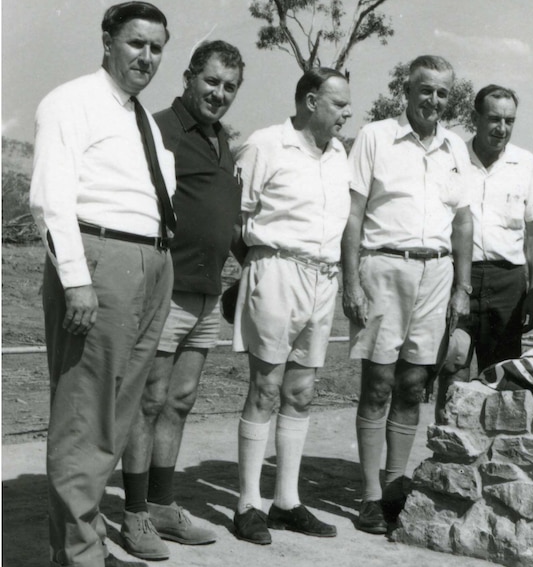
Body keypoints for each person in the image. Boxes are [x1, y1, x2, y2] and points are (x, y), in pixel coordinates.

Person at [30, 1, 174, 567]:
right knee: (82, 415)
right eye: (136, 43)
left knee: (115, 415)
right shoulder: (72, 101)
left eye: (157, 47)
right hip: (100, 262)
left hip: (151, 263)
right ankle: (77, 555)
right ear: (108, 41)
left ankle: (83, 539)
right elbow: (50, 199)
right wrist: (76, 281)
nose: (147, 56)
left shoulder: (140, 118)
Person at [118, 40, 245, 560]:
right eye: (212, 81)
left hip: (207, 292)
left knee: (181, 400)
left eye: (230, 87)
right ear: (190, 77)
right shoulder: (158, 128)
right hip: (165, 288)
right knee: (148, 400)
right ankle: (135, 514)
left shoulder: (223, 142)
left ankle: (165, 506)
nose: (219, 94)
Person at [340, 55, 473, 534]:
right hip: (383, 268)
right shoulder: (375, 137)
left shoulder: (456, 146)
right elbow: (352, 215)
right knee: (377, 383)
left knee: (414, 384)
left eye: (441, 92)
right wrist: (350, 280)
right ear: (407, 91)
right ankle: (371, 494)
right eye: (424, 90)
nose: (432, 100)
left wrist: (463, 285)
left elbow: (462, 220)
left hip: (436, 273)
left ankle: (396, 487)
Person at [230, 68, 353, 545]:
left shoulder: (340, 153)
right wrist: (258, 270)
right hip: (276, 270)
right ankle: (247, 504)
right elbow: (235, 220)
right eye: (339, 104)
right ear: (309, 100)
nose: (347, 113)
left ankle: (286, 501)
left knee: (301, 392)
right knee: (265, 387)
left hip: (323, 277)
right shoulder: (265, 144)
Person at [435, 84, 533, 422]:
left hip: (508, 283)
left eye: (509, 120)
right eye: (493, 119)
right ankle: (446, 444)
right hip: (460, 277)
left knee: (501, 374)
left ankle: (490, 457)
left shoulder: (525, 163)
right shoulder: (453, 158)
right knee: (453, 363)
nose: (501, 128)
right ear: (475, 117)